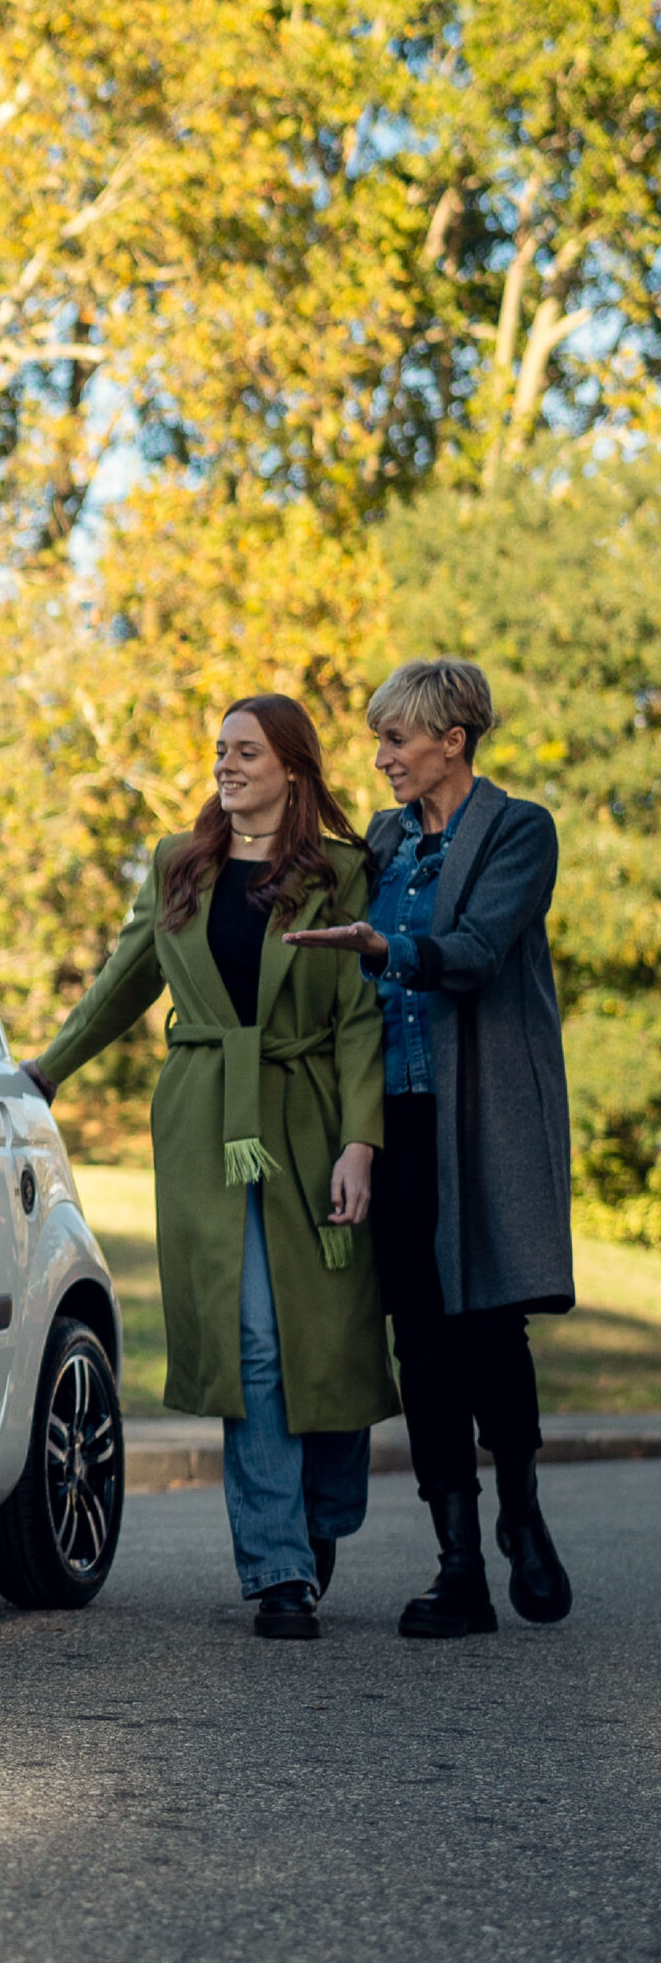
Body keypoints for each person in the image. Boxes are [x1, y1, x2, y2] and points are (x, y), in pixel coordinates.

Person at [22, 696, 393, 1640]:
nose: (226, 766)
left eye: (246, 752)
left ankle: (319, 1521)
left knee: (331, 1336)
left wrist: (361, 1141)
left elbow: (357, 1017)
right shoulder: (177, 865)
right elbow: (125, 978)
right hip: (204, 1125)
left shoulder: (343, 871)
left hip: (308, 1116)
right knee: (255, 1342)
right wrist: (49, 1069)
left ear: (294, 769)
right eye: (220, 751)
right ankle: (278, 1569)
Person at [285, 658, 573, 1639]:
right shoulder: (382, 840)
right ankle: (458, 1564)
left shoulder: (517, 830)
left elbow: (482, 952)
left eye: (396, 740)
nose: (381, 759)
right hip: (399, 1116)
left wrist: (382, 949)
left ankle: (520, 1515)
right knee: (421, 1337)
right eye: (377, 741)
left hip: (482, 1108)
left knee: (489, 1323)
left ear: (451, 739)